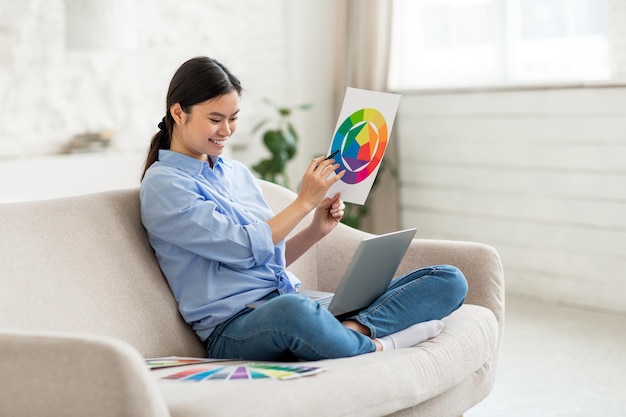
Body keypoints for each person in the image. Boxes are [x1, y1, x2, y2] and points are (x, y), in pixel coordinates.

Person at [140, 56, 468, 361]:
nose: (226, 130)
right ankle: (379, 344)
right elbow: (242, 250)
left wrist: (315, 230)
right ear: (179, 113)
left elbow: (265, 258)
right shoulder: (165, 186)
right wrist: (303, 202)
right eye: (215, 119)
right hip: (235, 327)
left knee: (447, 279)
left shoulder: (234, 173)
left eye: (233, 118)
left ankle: (350, 332)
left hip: (292, 302)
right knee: (293, 312)